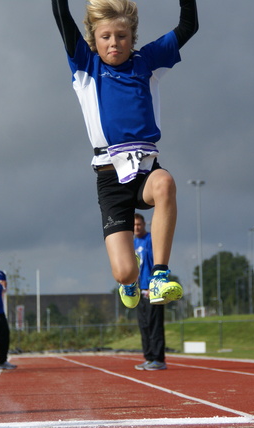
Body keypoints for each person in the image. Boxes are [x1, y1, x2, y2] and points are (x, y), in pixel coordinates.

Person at [51, 0, 198, 309]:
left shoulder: (147, 62)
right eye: (106, 37)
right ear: (94, 39)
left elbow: (188, 27)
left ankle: (159, 275)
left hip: (146, 169)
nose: (114, 43)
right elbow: (61, 16)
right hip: (110, 178)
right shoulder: (85, 65)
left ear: (133, 38)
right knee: (125, 271)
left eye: (122, 36)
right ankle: (130, 278)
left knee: (166, 183)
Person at [132, 214, 167, 371]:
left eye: (139, 224)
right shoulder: (132, 243)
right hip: (139, 290)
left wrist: (155, 284)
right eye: (134, 225)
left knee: (155, 325)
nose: (137, 227)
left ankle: (158, 359)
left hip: (152, 289)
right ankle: (148, 357)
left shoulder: (151, 240)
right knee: (144, 326)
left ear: (144, 224)